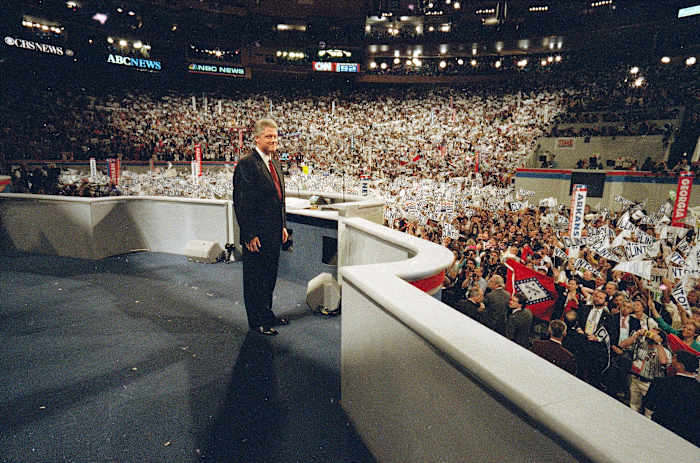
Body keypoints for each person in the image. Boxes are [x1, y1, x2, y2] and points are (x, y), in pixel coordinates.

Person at [233, 118, 289, 336]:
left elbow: (279, 199)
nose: (273, 140)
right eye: (268, 136)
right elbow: (242, 203)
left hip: (274, 232)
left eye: (275, 136)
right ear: (257, 138)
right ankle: (256, 322)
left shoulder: (274, 163)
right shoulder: (246, 164)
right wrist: (249, 235)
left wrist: (283, 226)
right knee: (255, 279)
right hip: (256, 235)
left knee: (269, 276)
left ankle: (267, 314)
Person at [643, 351, 700, 447]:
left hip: (659, 434)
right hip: (688, 441)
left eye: (674, 359)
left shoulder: (661, 384)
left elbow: (649, 405)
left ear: (680, 365)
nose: (671, 361)